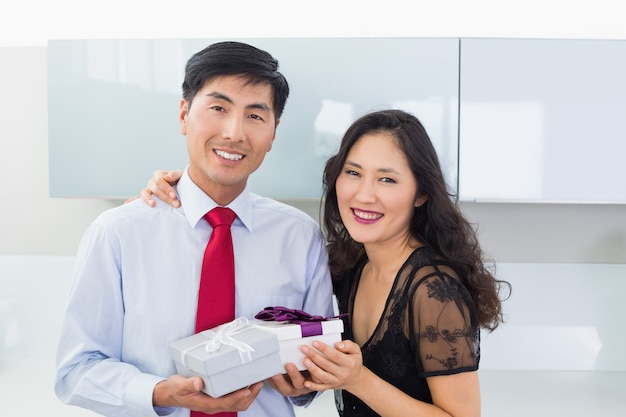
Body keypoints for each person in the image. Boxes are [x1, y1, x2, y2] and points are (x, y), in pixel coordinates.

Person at [145, 109, 510, 417]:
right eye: (353, 173)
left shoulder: (434, 290)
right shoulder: (349, 264)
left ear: (422, 193)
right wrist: (175, 190)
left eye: (387, 179)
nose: (363, 194)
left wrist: (358, 380)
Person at [54, 41, 334, 417]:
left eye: (255, 115)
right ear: (184, 114)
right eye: (218, 108)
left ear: (273, 132)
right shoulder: (118, 232)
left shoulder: (300, 238)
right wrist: (160, 392)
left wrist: (304, 385)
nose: (234, 133)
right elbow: (75, 371)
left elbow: (309, 371)